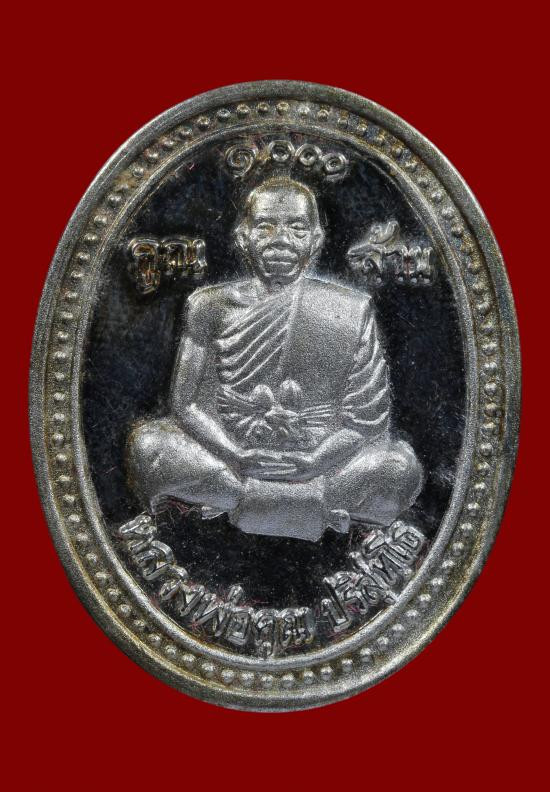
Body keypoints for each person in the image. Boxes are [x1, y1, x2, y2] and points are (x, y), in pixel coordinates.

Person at [127, 176, 422, 541]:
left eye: (296, 228)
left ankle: (245, 500)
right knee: (149, 447)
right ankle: (306, 504)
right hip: (231, 459)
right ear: (244, 237)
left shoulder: (351, 308)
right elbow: (185, 405)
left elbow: (367, 422)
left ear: (315, 239)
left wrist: (313, 462)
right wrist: (235, 455)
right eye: (265, 226)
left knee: (399, 468)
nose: (281, 239)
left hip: (321, 464)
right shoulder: (208, 305)